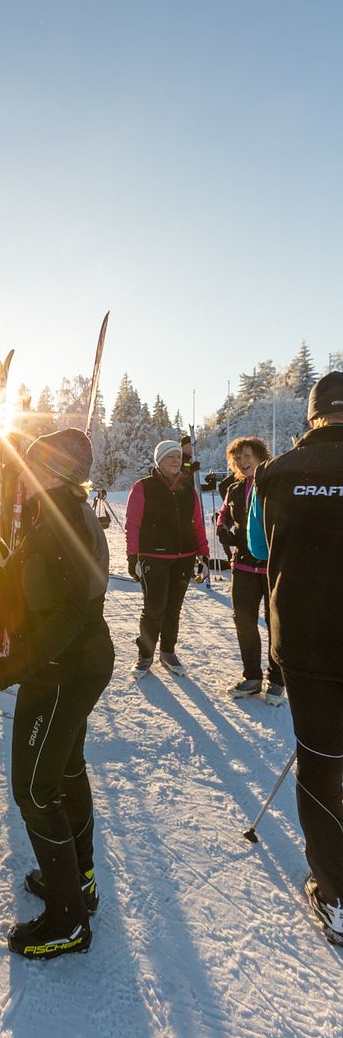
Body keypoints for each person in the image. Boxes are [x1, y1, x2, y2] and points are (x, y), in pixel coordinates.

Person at [0, 428, 114, 960]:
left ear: (57, 468)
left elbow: (68, 612)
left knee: (34, 790)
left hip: (64, 668)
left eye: (35, 462)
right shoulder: (54, 511)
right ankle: (78, 881)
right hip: (63, 663)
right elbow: (31, 581)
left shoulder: (66, 517)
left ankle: (69, 921)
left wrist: (4, 671)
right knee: (66, 771)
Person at [248, 371, 343, 947]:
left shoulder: (276, 474)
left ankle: (334, 891)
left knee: (321, 760)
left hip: (306, 642)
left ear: (311, 417)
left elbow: (259, 548)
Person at [125, 439, 209, 676]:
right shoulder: (143, 487)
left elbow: (198, 524)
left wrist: (203, 554)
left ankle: (168, 652)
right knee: (154, 607)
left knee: (174, 608)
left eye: (178, 457)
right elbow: (132, 524)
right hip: (154, 556)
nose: (175, 461)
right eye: (170, 456)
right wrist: (133, 557)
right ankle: (145, 654)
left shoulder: (187, 489)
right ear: (159, 460)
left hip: (185, 557)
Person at [217, 437, 285, 704]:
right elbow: (224, 515)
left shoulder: (276, 485)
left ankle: (277, 679)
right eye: (238, 459)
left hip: (272, 566)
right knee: (244, 622)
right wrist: (224, 530)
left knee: (275, 623)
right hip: (243, 566)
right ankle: (252, 677)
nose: (243, 463)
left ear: (261, 456)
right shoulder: (235, 489)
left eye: (247, 456)